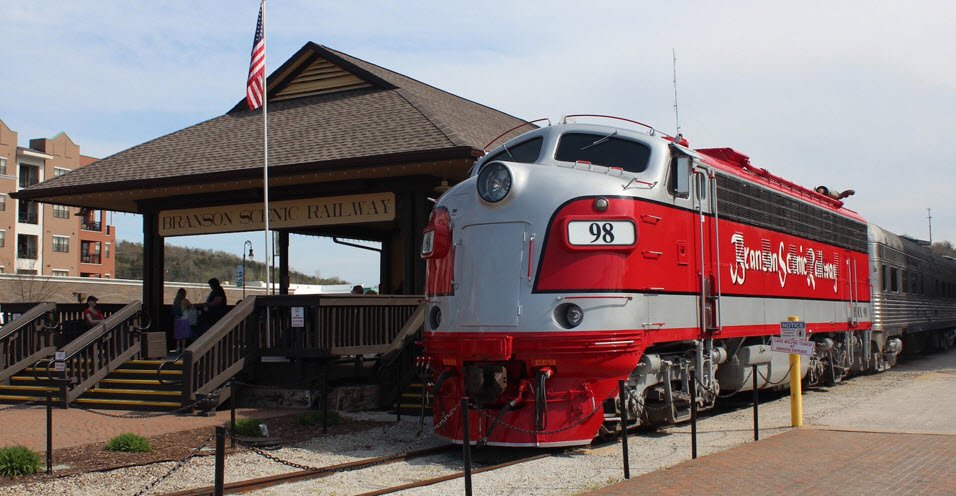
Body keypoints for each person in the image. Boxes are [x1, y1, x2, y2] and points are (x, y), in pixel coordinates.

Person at [172, 288, 193, 352]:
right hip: (184, 319)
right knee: (184, 335)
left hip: (177, 319)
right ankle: (183, 347)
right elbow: (191, 307)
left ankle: (178, 347)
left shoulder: (175, 301)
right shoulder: (185, 301)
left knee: (178, 333)